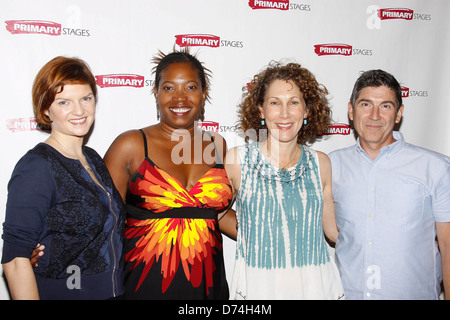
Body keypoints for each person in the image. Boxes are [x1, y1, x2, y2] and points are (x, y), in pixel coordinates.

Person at [103, 48, 234, 299]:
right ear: (156, 93)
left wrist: (274, 236)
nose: (180, 98)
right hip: (144, 284)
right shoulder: (131, 144)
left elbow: (214, 215)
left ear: (204, 94)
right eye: (169, 88)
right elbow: (102, 221)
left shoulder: (217, 145)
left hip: (209, 286)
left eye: (191, 88)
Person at [1, 56, 125, 300]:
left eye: (86, 99)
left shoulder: (94, 159)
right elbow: (15, 261)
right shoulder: (37, 166)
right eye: (64, 102)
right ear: (46, 109)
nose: (79, 111)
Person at [225, 61, 345, 299]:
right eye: (274, 103)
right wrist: (256, 233)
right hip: (259, 288)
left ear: (307, 110)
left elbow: (332, 232)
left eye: (293, 103)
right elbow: (215, 214)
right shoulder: (238, 160)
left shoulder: (321, 163)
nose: (284, 114)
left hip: (314, 288)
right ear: (261, 110)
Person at [329, 69, 450, 300]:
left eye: (385, 106)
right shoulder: (330, 165)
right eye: (366, 104)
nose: (375, 115)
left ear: (398, 114)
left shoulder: (436, 168)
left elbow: (448, 246)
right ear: (351, 111)